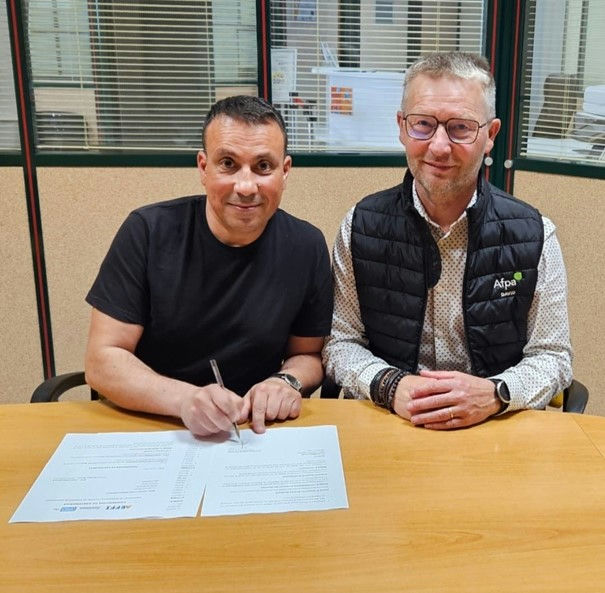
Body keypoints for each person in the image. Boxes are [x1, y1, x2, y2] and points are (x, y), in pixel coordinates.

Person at [323, 52, 572, 430]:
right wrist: (390, 386)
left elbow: (552, 356)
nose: (439, 147)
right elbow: (340, 342)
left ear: (490, 136)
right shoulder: (360, 227)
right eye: (423, 124)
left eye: (460, 128)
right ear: (401, 128)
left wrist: (495, 393)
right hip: (390, 423)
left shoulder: (535, 235)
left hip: (493, 428)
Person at [85, 95, 333, 436]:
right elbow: (102, 360)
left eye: (263, 166)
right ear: (203, 167)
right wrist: (185, 400)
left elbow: (308, 356)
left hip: (254, 431)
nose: (245, 186)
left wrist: (285, 381)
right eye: (228, 164)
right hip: (155, 424)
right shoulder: (148, 231)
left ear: (285, 171)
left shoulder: (306, 246)